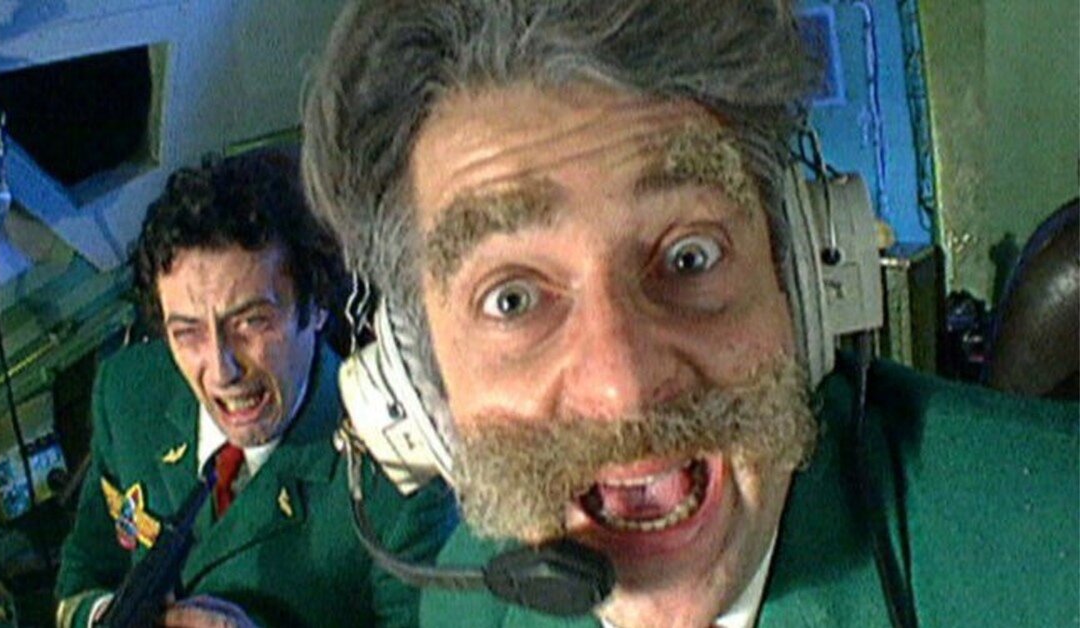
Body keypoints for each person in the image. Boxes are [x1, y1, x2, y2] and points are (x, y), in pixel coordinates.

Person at [300, 1, 1079, 626]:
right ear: (423, 385)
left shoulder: (1058, 548)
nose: (624, 388)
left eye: (689, 257)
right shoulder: (471, 602)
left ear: (803, 279)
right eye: (513, 300)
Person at [54, 150, 455, 627]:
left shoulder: (399, 487)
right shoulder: (127, 394)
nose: (221, 370)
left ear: (316, 304)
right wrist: (111, 617)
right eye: (187, 333)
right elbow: (83, 573)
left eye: (251, 323)